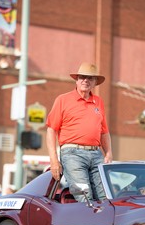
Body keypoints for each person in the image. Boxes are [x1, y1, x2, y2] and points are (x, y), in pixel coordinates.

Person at [46, 62, 113, 202]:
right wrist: (53, 160)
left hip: (96, 154)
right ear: (76, 80)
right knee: (85, 197)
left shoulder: (98, 102)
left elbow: (104, 132)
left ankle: (100, 223)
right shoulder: (63, 100)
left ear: (95, 82)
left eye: (90, 78)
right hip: (72, 154)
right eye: (82, 77)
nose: (85, 80)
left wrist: (108, 153)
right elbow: (51, 130)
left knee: (105, 198)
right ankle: (89, 222)